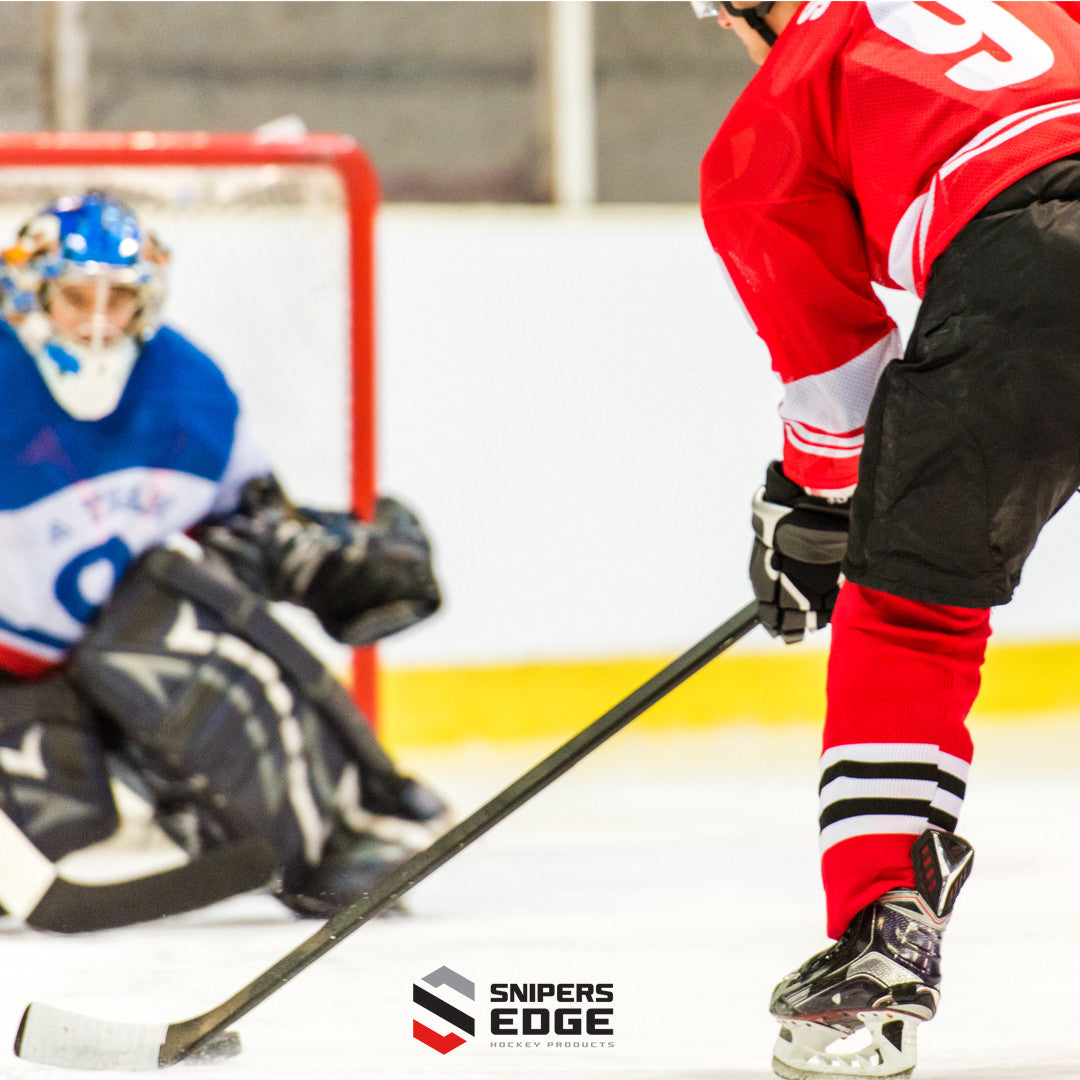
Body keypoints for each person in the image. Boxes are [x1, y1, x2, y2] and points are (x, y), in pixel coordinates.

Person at [694, 2, 1080, 1077]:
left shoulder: (777, 108)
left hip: (1037, 262)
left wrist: (813, 512)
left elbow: (839, 389)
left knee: (911, 612)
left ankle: (879, 946)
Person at [0, 190, 446, 932]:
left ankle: (323, 836)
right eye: (79, 297)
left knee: (180, 610)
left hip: (120, 652)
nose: (102, 322)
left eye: (123, 298)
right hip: (11, 675)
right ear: (31, 294)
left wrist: (317, 558)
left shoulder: (188, 388)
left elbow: (248, 522)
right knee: (55, 829)